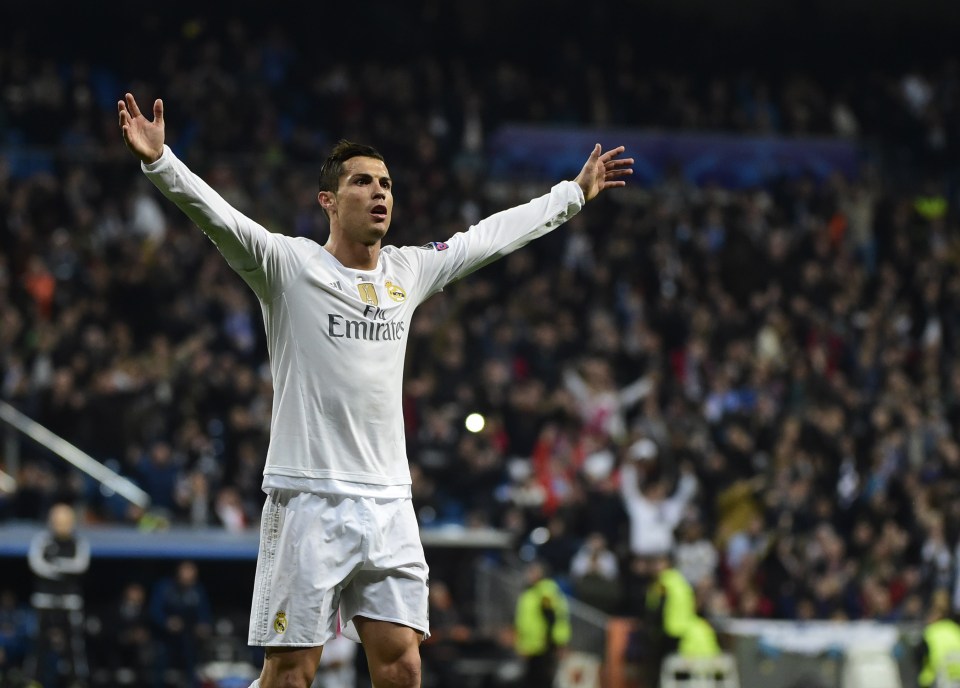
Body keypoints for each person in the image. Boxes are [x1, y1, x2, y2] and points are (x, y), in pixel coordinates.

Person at [118, 91, 633, 688]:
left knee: (403, 665)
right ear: (329, 201)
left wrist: (572, 195)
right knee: (289, 675)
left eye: (386, 182)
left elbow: (487, 237)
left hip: (389, 502)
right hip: (308, 497)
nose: (381, 192)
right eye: (363, 182)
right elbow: (219, 217)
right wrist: (161, 162)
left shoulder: (407, 272)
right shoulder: (290, 268)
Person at [25, 502, 90, 687]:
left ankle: (76, 681)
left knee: (74, 645)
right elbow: (37, 564)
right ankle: (34, 681)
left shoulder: (79, 542)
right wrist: (61, 568)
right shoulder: (42, 540)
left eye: (65, 520)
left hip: (70, 602)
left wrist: (56, 565)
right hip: (43, 600)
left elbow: (80, 565)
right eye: (57, 520)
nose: (61, 524)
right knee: (38, 643)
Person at [149, 560, 212, 688]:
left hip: (188, 637)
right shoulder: (165, 587)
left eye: (192, 572)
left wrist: (203, 624)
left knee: (192, 664)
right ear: (178, 572)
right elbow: (154, 611)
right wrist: (167, 622)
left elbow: (204, 612)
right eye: (186, 571)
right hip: (165, 637)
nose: (190, 575)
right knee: (160, 663)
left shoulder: (197, 590)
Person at [514, 561, 571, 688]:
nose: (528, 575)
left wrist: (557, 642)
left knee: (542, 679)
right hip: (531, 646)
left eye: (532, 572)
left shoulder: (545, 592)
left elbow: (551, 617)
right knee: (531, 678)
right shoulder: (531, 592)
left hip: (543, 645)